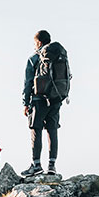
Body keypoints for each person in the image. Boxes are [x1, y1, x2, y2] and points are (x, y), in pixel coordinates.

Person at [21, 29, 62, 177]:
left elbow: (28, 83)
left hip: (39, 100)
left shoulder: (34, 58)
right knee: (52, 130)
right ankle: (52, 165)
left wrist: (25, 103)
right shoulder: (59, 56)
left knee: (36, 130)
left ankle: (36, 165)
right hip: (56, 99)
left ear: (38, 42)